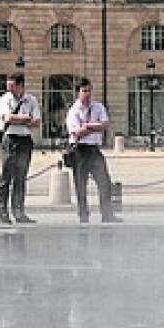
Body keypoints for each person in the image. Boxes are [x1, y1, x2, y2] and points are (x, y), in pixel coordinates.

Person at [65, 78, 119, 224]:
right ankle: (83, 214)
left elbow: (105, 124)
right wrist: (94, 127)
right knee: (80, 184)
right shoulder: (73, 111)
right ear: (78, 93)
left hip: (94, 149)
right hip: (80, 150)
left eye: (89, 90)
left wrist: (87, 126)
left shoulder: (98, 107)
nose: (87, 94)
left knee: (104, 182)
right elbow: (76, 133)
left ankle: (107, 214)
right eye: (84, 91)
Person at [0, 72, 40, 225]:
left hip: (25, 140)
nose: (9, 90)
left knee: (21, 178)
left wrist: (21, 120)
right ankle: (3, 211)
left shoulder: (31, 100)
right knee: (6, 177)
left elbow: (37, 122)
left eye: (12, 87)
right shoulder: (5, 99)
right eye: (8, 87)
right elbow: (7, 118)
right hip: (10, 139)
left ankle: (19, 211)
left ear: (21, 86)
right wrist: (26, 118)